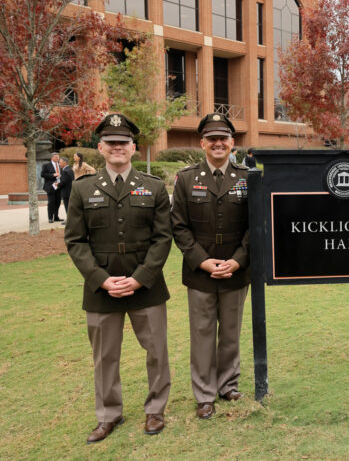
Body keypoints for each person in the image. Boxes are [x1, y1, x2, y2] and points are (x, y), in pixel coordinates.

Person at [64, 113, 173, 442]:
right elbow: (75, 241)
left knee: (157, 351)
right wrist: (101, 279)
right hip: (101, 288)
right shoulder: (82, 189)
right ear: (100, 147)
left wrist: (140, 278)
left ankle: (155, 410)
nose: (117, 148)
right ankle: (108, 414)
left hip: (146, 284)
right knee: (105, 355)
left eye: (123, 143)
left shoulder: (153, 187)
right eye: (110, 143)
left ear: (134, 148)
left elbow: (162, 239)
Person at [171, 113, 251, 420]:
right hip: (200, 273)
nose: (218, 143)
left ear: (233, 143)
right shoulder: (187, 178)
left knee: (230, 333)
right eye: (212, 138)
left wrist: (237, 260)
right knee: (202, 334)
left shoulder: (246, 177)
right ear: (202, 142)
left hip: (236, 270)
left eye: (224, 138)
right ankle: (204, 394)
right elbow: (178, 226)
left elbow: (254, 225)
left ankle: (228, 384)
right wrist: (203, 262)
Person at [40, 152, 62, 223]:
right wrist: (53, 175)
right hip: (50, 186)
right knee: (51, 202)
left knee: (58, 202)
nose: (57, 159)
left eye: (58, 157)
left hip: (59, 186)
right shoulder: (46, 165)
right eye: (56, 157)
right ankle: (50, 218)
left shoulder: (60, 165)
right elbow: (42, 174)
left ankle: (56, 217)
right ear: (52, 158)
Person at [58, 156, 75, 224]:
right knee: (70, 206)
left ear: (64, 163)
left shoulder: (65, 171)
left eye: (60, 162)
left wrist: (58, 184)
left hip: (66, 192)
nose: (59, 164)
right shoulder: (70, 169)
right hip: (70, 191)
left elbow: (64, 182)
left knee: (67, 206)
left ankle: (69, 221)